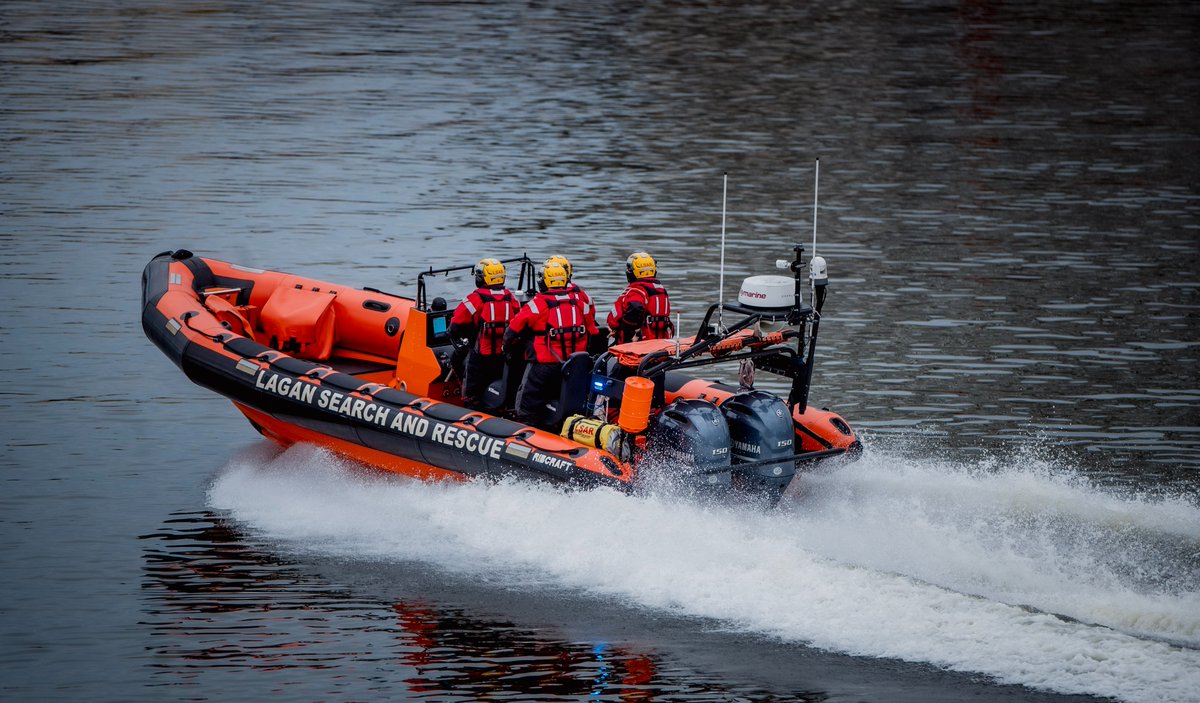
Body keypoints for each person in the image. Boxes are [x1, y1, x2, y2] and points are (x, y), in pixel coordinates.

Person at [504, 261, 598, 428]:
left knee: (526, 403)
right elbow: (592, 329)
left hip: (543, 366)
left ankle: (525, 433)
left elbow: (513, 329)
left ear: (545, 281)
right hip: (572, 366)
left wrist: (507, 345)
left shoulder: (538, 303)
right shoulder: (579, 301)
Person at [449, 258, 519, 410]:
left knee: (471, 394)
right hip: (502, 357)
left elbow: (454, 327)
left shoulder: (475, 299)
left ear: (481, 278)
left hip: (480, 358)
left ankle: (470, 413)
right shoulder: (511, 298)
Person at [607, 251, 672, 344]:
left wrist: (628, 333)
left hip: (639, 345)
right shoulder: (660, 290)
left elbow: (635, 307)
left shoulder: (637, 290)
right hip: (660, 343)